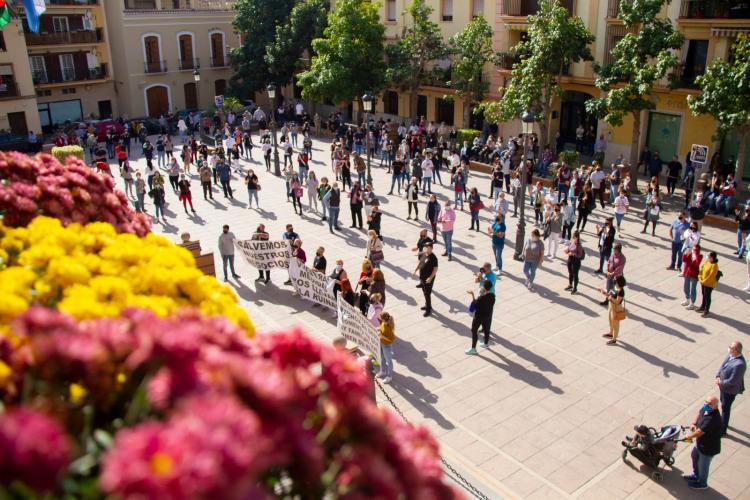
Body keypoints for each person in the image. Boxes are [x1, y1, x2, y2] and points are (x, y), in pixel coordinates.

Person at [682, 396, 723, 490]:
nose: (706, 405)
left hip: (708, 448)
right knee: (694, 456)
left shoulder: (713, 419)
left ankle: (702, 483)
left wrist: (689, 436)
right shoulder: (706, 409)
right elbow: (699, 413)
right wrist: (694, 423)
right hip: (700, 443)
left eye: (709, 404)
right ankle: (696, 475)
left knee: (703, 466)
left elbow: (699, 432)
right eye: (706, 402)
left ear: (715, 406)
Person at [715, 341, 746, 435]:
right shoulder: (730, 355)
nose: (729, 349)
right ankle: (723, 421)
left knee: (725, 408)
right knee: (723, 404)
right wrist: (718, 376)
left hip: (729, 390)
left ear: (736, 350)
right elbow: (722, 366)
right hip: (723, 387)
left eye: (731, 347)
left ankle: (723, 430)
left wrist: (721, 382)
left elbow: (733, 381)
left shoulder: (740, 364)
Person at [466, 280, 496, 354]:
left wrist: (473, 295)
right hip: (487, 316)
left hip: (479, 317)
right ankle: (486, 343)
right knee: (486, 330)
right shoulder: (492, 296)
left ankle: (473, 348)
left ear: (484, 287)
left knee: (474, 330)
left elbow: (472, 308)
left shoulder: (481, 298)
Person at [413, 242, 438, 317]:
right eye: (425, 247)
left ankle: (428, 309)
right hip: (422, 277)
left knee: (427, 293)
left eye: (426, 247)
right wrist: (415, 270)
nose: (425, 248)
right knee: (424, 292)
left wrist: (430, 278)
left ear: (430, 248)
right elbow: (420, 263)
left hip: (428, 279)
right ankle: (427, 305)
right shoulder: (424, 254)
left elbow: (435, 269)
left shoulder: (433, 258)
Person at [600, 275, 626, 345]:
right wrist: (604, 293)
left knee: (615, 324)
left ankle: (614, 339)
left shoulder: (621, 291)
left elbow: (617, 301)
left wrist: (610, 298)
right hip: (611, 305)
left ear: (619, 282)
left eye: (616, 280)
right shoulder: (615, 286)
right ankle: (611, 333)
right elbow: (610, 294)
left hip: (616, 308)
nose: (614, 280)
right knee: (610, 320)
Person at [697, 251, 719, 317]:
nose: (707, 257)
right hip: (703, 282)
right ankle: (703, 306)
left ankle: (707, 310)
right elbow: (702, 269)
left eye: (708, 256)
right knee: (704, 294)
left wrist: (704, 281)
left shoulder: (714, 266)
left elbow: (711, 276)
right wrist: (700, 277)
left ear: (712, 258)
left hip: (709, 284)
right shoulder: (707, 262)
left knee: (707, 297)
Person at [681, 244, 702, 310]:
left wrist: (695, 254)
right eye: (693, 249)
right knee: (686, 287)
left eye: (695, 249)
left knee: (692, 289)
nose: (693, 250)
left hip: (694, 274)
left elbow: (697, 263)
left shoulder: (699, 256)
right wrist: (685, 253)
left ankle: (692, 303)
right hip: (687, 273)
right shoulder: (690, 254)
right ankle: (687, 299)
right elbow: (684, 260)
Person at [378, 311, 396, 383]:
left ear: (383, 319)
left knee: (389, 361)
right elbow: (381, 328)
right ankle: (382, 371)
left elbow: (392, 339)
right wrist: (378, 329)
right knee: (382, 358)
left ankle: (389, 376)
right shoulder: (383, 323)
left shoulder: (389, 328)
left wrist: (382, 336)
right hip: (382, 344)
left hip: (386, 346)